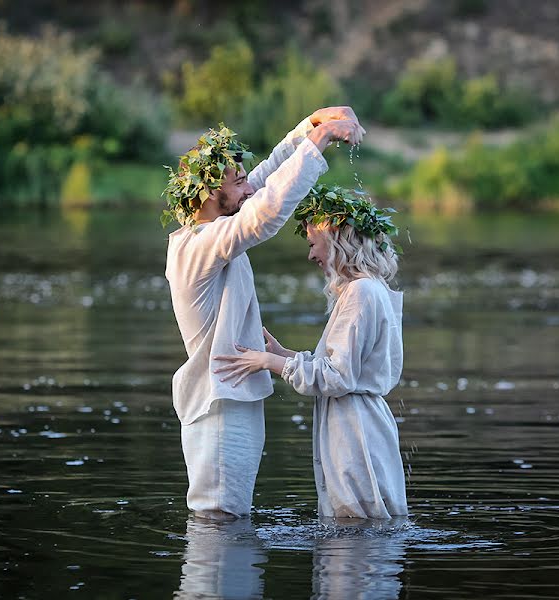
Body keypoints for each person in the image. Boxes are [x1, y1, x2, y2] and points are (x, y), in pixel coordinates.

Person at [163, 109, 366, 521]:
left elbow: (265, 180)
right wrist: (323, 136)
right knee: (218, 520)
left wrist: (309, 125)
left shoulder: (216, 227)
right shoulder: (197, 246)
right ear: (206, 195)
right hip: (218, 405)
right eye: (236, 183)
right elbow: (267, 211)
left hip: (233, 398)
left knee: (230, 524)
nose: (247, 187)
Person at [213, 184, 408, 519]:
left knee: (355, 520)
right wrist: (287, 355)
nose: (311, 255)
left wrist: (270, 362)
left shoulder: (360, 293)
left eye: (313, 244)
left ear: (335, 242)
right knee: (360, 519)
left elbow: (338, 378)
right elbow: (341, 368)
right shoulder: (368, 288)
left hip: (354, 428)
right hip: (359, 419)